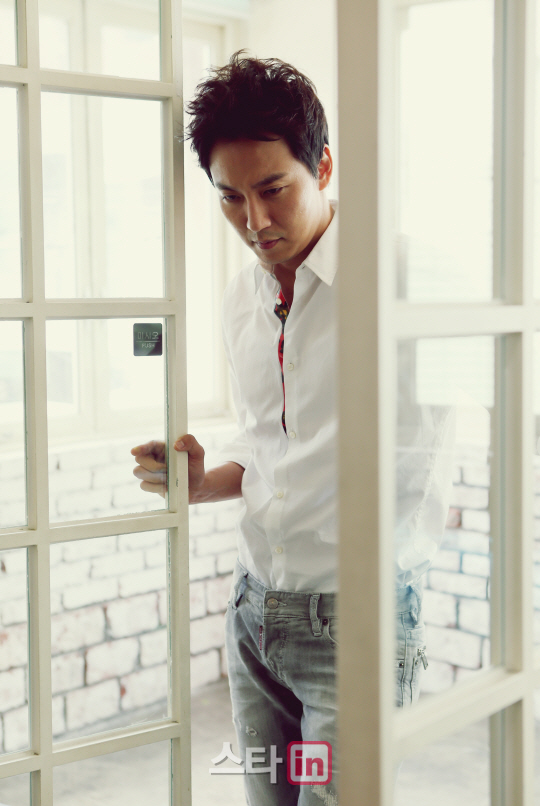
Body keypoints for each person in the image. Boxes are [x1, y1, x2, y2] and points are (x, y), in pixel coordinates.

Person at [131, 50, 455, 806]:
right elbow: (269, 447)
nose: (255, 221)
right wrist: (199, 483)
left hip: (355, 629)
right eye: (231, 197)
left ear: (324, 166)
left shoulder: (409, 284)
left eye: (273, 189)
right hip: (255, 617)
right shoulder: (240, 300)